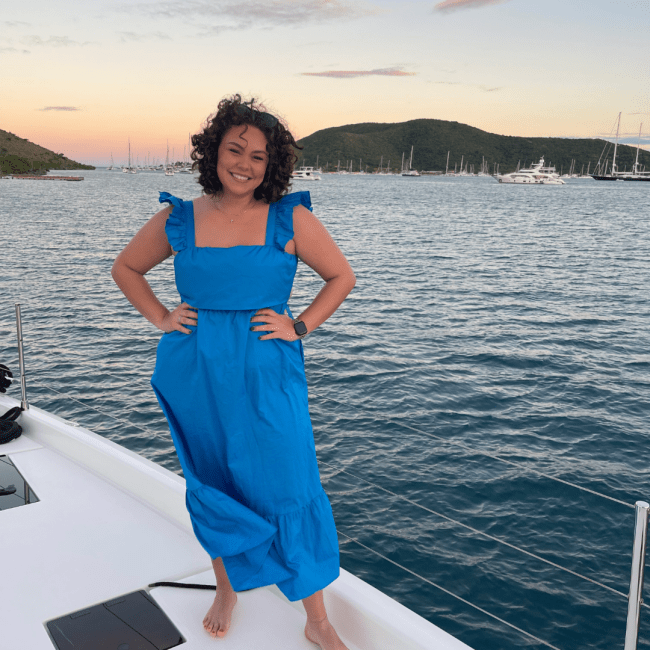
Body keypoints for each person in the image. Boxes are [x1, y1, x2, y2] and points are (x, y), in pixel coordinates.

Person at [111, 95, 356, 650]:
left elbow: (341, 277)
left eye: (259, 156)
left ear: (273, 166)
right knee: (214, 477)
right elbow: (125, 268)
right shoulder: (179, 217)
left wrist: (301, 325)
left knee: (289, 479)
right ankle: (227, 586)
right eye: (234, 149)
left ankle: (316, 618)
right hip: (194, 366)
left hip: (267, 364)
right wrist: (161, 316)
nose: (245, 163)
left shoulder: (290, 216)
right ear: (212, 152)